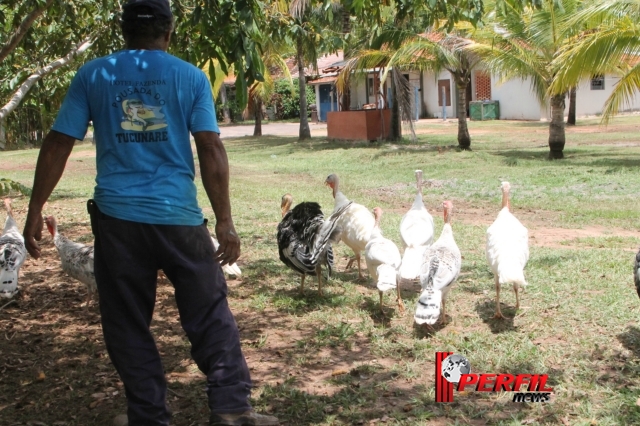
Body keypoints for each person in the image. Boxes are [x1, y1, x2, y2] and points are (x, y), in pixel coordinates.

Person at [22, 1, 279, 425]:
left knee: (127, 322)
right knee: (210, 312)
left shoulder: (93, 75)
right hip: (179, 219)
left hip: (118, 223)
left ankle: (147, 415)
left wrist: (36, 208)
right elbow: (210, 147)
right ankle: (231, 410)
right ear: (169, 32)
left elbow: (57, 143)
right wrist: (225, 221)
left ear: (123, 32)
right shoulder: (190, 77)